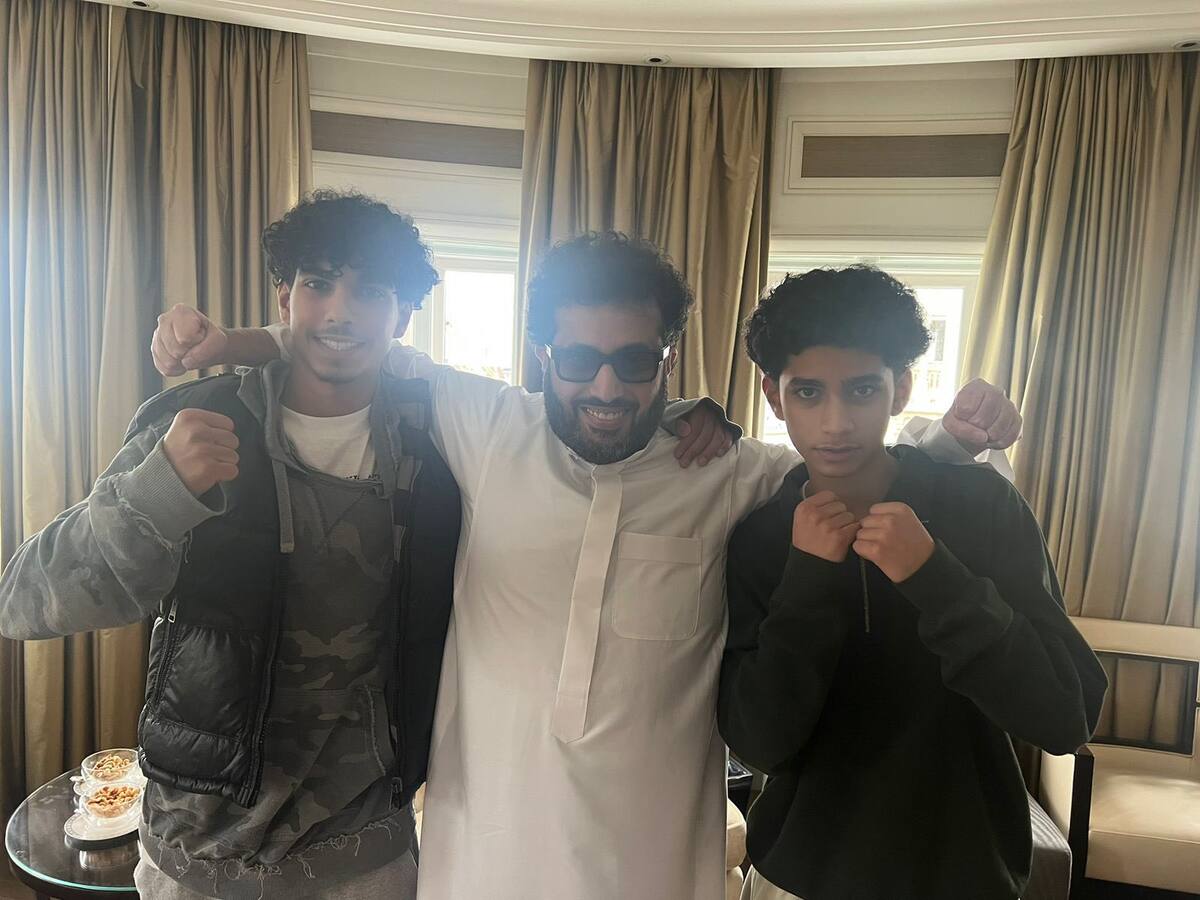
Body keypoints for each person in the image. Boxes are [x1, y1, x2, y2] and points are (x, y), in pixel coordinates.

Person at [151, 233, 1023, 900]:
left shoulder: (723, 469)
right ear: (543, 356)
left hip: (652, 859)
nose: (606, 388)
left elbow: (848, 459)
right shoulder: (489, 427)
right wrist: (229, 340)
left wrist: (949, 440)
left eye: (635, 363)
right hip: (483, 850)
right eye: (578, 361)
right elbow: (358, 348)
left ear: (666, 360)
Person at [0, 191, 464, 899]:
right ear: (285, 298)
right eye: (318, 283)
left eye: (371, 291)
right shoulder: (194, 421)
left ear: (402, 317)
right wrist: (159, 491)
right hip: (197, 860)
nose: (340, 312)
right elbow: (24, 601)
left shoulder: (439, 446)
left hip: (366, 859)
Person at [718, 265, 1108, 900]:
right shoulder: (759, 537)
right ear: (774, 395)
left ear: (900, 388)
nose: (836, 423)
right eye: (809, 392)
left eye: (862, 389)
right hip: (798, 879)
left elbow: (1066, 716)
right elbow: (761, 743)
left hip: (966, 877)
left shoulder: (983, 507)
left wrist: (935, 577)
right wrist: (809, 581)